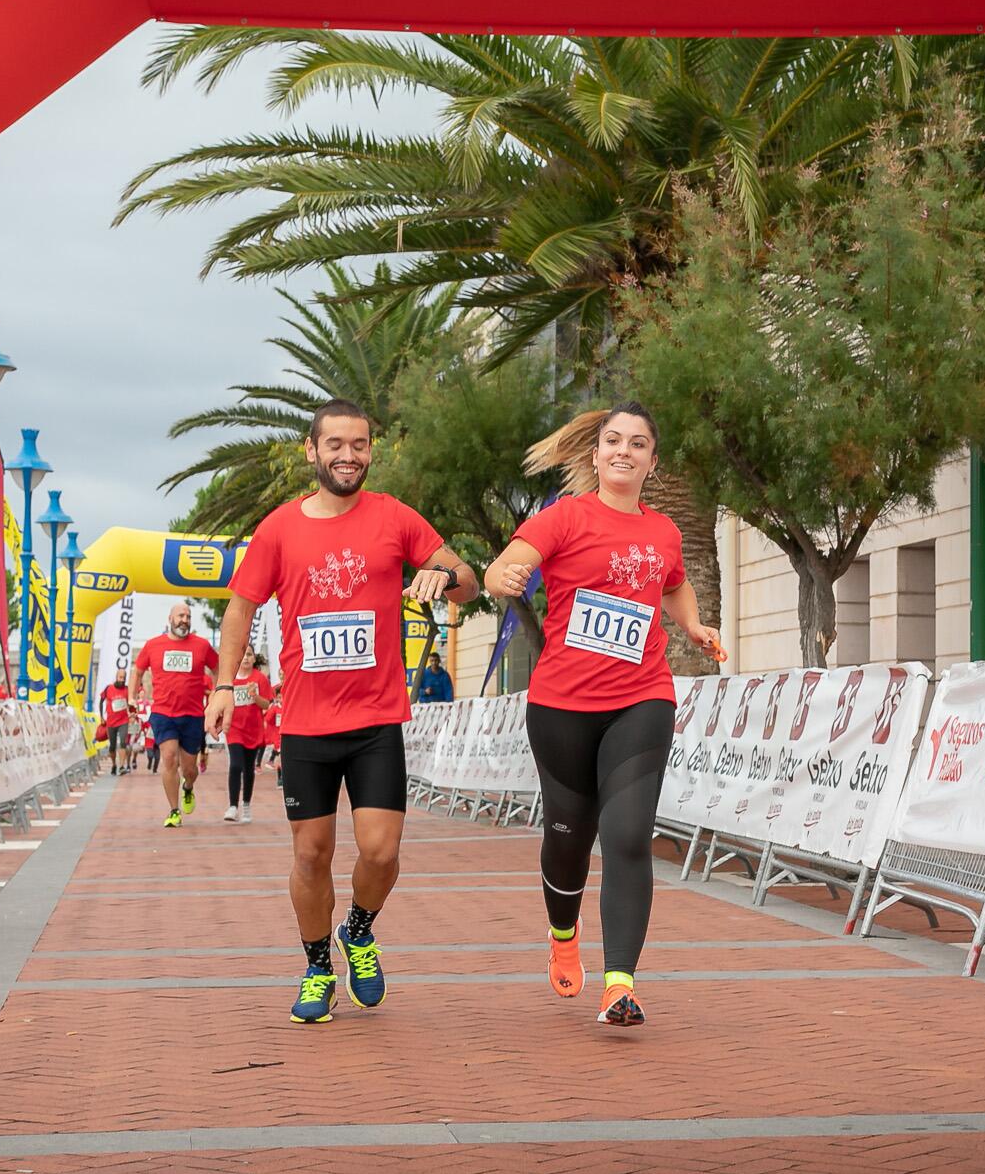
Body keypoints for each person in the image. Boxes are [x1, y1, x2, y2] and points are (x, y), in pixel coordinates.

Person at [209, 398, 478, 1024]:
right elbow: (240, 610)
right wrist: (224, 685)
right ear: (313, 450)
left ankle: (357, 930)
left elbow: (466, 575)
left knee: (380, 853)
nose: (348, 455)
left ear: (369, 451)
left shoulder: (395, 519)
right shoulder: (278, 529)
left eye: (358, 445)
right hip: (305, 723)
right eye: (335, 444)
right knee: (312, 855)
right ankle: (315, 965)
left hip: (377, 718)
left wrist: (448, 579)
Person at [484, 402, 723, 1028]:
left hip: (642, 697)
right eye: (612, 441)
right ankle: (563, 934)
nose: (623, 451)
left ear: (651, 460)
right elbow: (507, 564)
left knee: (627, 835)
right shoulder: (564, 516)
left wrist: (693, 625)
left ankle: (620, 983)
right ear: (595, 456)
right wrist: (504, 575)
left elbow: (671, 584)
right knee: (568, 837)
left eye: (637, 443)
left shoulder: (663, 532)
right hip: (562, 705)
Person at [132, 601, 217, 827]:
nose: (185, 620)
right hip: (163, 712)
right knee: (169, 759)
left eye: (188, 617)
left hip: (192, 715)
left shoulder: (201, 645)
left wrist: (217, 697)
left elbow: (218, 668)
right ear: (170, 619)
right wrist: (133, 697)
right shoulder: (153, 645)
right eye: (180, 616)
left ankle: (188, 788)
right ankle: (173, 811)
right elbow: (138, 670)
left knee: (190, 769)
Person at [223, 651, 275, 822]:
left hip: (253, 730)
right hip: (234, 729)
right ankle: (232, 806)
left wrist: (254, 696)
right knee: (236, 765)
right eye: (243, 654)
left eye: (249, 655)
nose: (245, 658)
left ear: (254, 659)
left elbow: (266, 704)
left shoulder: (260, 678)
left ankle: (246, 805)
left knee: (248, 769)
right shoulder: (230, 679)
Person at [98, 667, 134, 775]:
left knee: (123, 742)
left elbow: (132, 705)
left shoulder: (127, 690)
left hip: (123, 721)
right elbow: (101, 701)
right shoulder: (108, 688)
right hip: (111, 722)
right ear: (116, 677)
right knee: (112, 746)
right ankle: (114, 764)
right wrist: (101, 716)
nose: (122, 680)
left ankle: (122, 766)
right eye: (120, 677)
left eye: (124, 678)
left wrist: (132, 714)